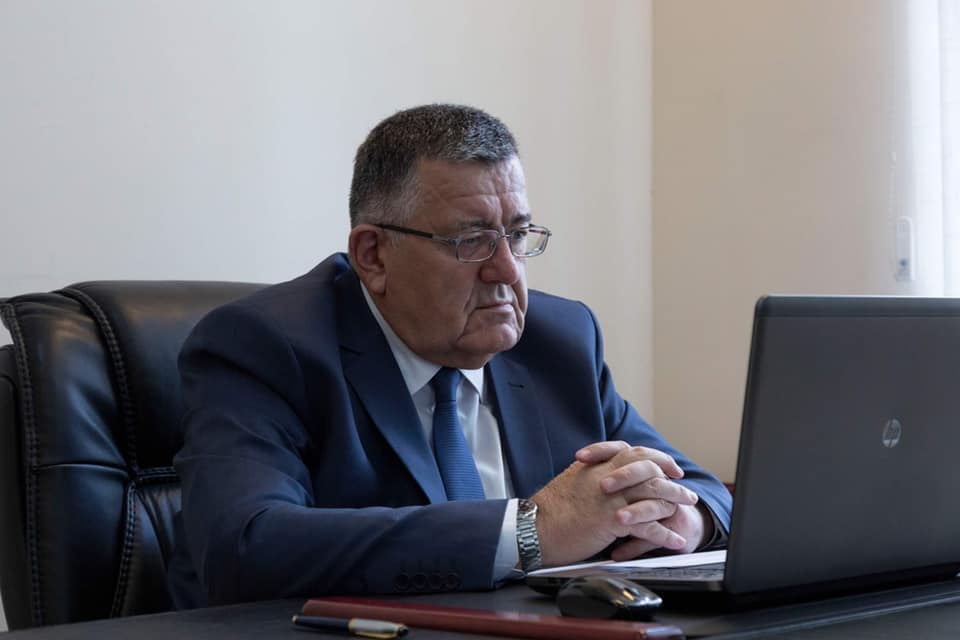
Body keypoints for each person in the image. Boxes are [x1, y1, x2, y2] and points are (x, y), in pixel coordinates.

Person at [167, 104, 732, 608]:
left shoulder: (558, 339)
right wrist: (530, 532)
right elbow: (244, 546)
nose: (506, 270)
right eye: (471, 241)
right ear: (373, 255)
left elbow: (704, 490)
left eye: (518, 235)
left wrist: (677, 518)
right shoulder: (265, 345)